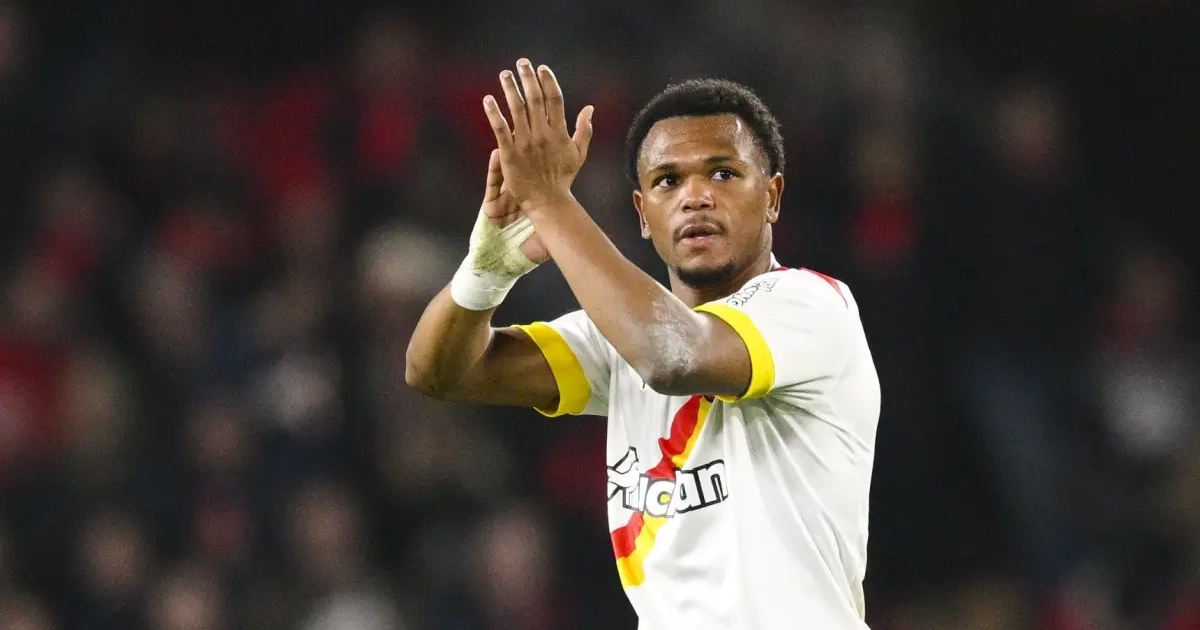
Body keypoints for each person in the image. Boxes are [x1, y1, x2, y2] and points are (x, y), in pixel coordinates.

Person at [406, 59, 880, 629]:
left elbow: (672, 356)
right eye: (668, 181)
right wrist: (486, 271)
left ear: (772, 196)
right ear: (643, 215)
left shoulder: (811, 307)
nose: (696, 196)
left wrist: (551, 203)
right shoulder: (619, 340)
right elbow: (439, 372)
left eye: (723, 173)